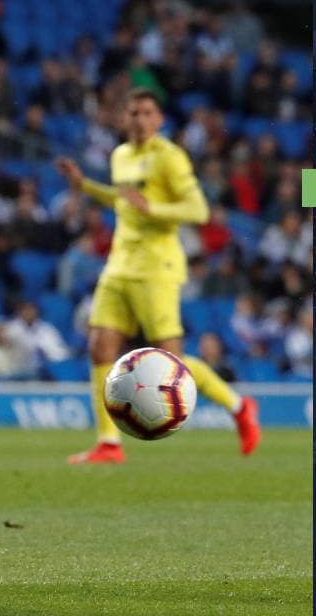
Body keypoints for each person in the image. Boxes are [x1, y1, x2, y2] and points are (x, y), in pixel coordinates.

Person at [55, 88, 260, 465]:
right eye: (133, 113)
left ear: (159, 120)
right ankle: (108, 443)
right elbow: (123, 202)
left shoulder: (169, 157)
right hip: (120, 264)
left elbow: (198, 210)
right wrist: (84, 186)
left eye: (147, 112)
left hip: (157, 268)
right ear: (123, 119)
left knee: (171, 361)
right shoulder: (120, 155)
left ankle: (239, 405)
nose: (139, 119)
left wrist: (153, 207)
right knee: (100, 347)